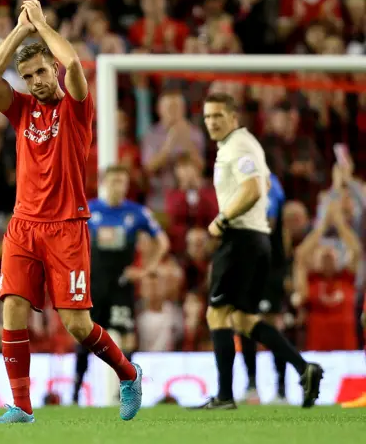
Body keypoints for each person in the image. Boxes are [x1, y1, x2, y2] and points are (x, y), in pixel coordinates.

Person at [0, 0, 143, 424]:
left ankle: (128, 373)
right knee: (12, 307)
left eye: (40, 71)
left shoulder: (75, 107)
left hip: (67, 226)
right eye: (28, 75)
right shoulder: (20, 111)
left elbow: (73, 63)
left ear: (52, 69)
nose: (35, 81)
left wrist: (43, 26)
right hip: (23, 225)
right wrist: (19, 31)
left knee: (76, 324)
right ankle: (21, 405)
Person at [195, 92, 323, 410]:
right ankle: (303, 367)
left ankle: (225, 396)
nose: (211, 122)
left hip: (240, 239)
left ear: (234, 117)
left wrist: (223, 219)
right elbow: (264, 184)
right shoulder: (244, 144)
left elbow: (254, 188)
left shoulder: (237, 146)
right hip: (255, 240)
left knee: (217, 314)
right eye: (208, 117)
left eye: (218, 116)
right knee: (243, 318)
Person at [72, 164, 169, 404]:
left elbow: (162, 242)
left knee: (126, 336)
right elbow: (69, 241)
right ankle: (74, 392)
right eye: (114, 181)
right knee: (84, 335)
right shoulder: (89, 210)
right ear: (104, 182)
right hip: (93, 285)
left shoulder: (136, 213)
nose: (119, 187)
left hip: (122, 284)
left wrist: (147, 269)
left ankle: (123, 391)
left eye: (123, 182)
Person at [240, 172, 290, 404]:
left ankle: (281, 389)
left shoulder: (269, 183)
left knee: (270, 322)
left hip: (268, 265)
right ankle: (252, 386)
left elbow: (267, 223)